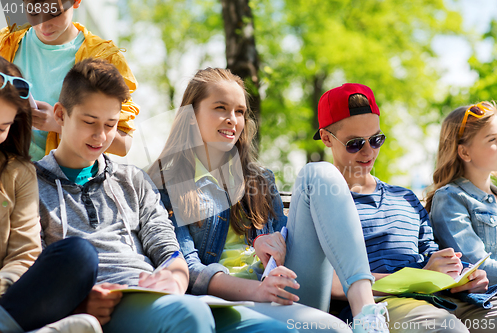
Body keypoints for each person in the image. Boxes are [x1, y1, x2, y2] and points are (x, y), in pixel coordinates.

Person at [147, 68, 390, 333]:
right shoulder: (165, 184)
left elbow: (285, 241)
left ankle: (367, 315)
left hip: (283, 293)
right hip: (223, 305)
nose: (232, 119)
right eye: (221, 108)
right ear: (191, 116)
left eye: (239, 112)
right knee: (336, 331)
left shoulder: (260, 179)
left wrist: (272, 244)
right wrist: (259, 289)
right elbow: (188, 269)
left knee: (318, 172)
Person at [35, 58, 215, 333]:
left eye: (111, 125)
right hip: (98, 308)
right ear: (60, 115)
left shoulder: (133, 180)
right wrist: (74, 304)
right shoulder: (30, 185)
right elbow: (30, 270)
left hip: (157, 298)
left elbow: (169, 250)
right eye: (89, 121)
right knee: (190, 316)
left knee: (276, 327)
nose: (100, 135)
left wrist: (175, 281)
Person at [320, 83, 497, 333]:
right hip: (378, 308)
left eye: (376, 139)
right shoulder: (322, 202)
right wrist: (419, 277)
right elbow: (328, 283)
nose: (369, 151)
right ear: (327, 138)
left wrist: (463, 276)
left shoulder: (405, 198)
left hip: (439, 302)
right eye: (355, 143)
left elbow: (431, 259)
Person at [0, 56, 100, 333]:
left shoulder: (18, 172)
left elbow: (24, 253)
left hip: (3, 299)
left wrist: (0, 285)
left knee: (79, 255)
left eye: (1, 128)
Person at [0, 0, 139, 161]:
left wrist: (60, 124)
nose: (43, 25)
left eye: (54, 13)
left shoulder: (106, 58)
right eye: (33, 11)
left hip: (61, 181)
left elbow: (124, 144)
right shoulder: (4, 42)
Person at [426, 102, 497, 285]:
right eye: (493, 139)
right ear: (464, 152)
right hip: (486, 302)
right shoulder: (450, 198)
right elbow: (478, 267)